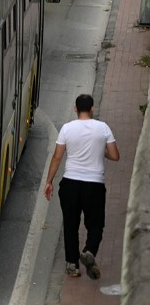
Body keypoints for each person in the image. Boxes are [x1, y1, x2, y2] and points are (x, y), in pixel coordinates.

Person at [44, 93, 119, 280]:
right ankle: (89, 251)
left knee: (70, 225)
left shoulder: (67, 129)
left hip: (70, 184)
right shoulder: (103, 128)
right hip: (94, 185)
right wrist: (100, 151)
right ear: (92, 108)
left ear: (75, 109)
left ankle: (72, 265)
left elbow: (57, 157)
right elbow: (115, 155)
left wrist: (49, 181)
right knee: (95, 224)